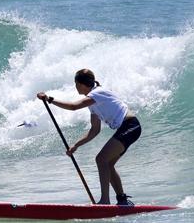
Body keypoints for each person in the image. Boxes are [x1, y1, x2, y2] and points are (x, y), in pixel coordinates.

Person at [36, 69, 141, 206]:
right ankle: (122, 200)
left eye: (76, 83)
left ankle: (104, 201)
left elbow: (74, 107)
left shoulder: (97, 93)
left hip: (130, 126)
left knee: (101, 159)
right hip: (128, 128)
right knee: (108, 163)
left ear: (81, 84)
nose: (75, 87)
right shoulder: (92, 104)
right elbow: (94, 130)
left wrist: (49, 99)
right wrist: (76, 145)